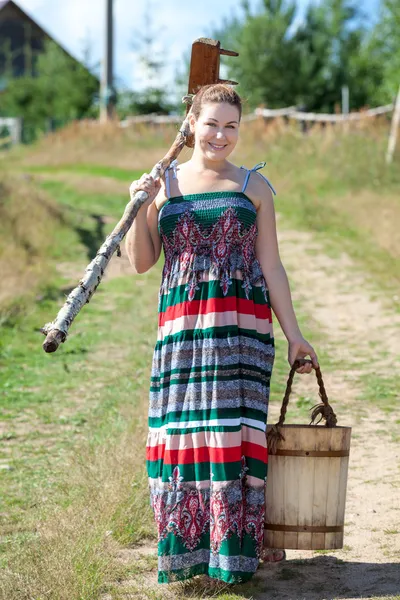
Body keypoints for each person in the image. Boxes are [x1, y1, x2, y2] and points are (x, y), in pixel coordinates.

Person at [125, 83, 319, 585]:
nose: (221, 135)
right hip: (183, 333)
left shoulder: (254, 187)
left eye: (231, 126)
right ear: (191, 124)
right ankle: (188, 554)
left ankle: (234, 555)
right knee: (184, 436)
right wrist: (137, 205)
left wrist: (295, 334)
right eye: (211, 123)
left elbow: (271, 266)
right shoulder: (164, 183)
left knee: (234, 435)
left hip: (242, 333)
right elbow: (142, 262)